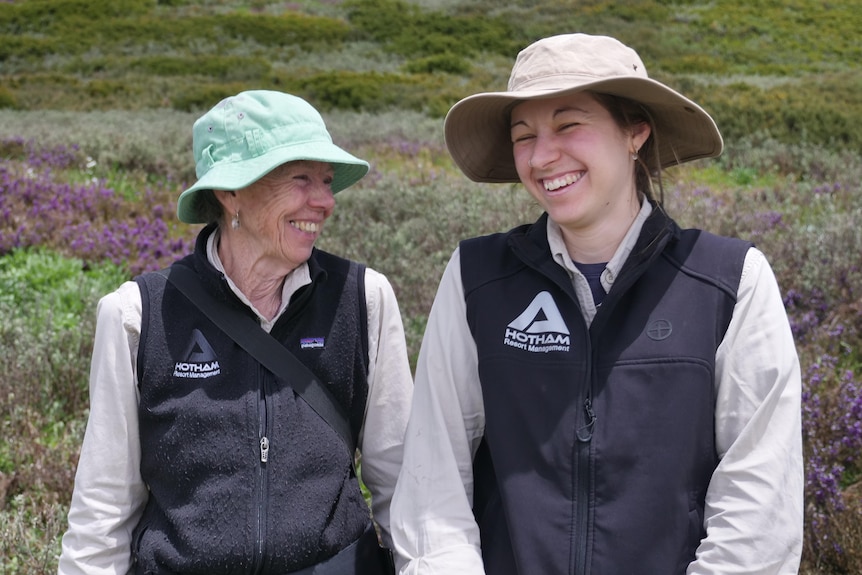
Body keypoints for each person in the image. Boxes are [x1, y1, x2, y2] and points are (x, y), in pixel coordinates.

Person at [390, 33, 803, 574]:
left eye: (569, 125)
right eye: (523, 135)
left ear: (636, 132)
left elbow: (758, 508)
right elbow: (433, 483)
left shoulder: (729, 282)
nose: (541, 156)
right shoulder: (475, 277)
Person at [58, 90, 413, 574]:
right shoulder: (137, 314)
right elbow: (102, 510)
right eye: (301, 178)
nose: (326, 200)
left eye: (327, 181)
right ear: (230, 193)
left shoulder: (364, 299)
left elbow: (402, 486)